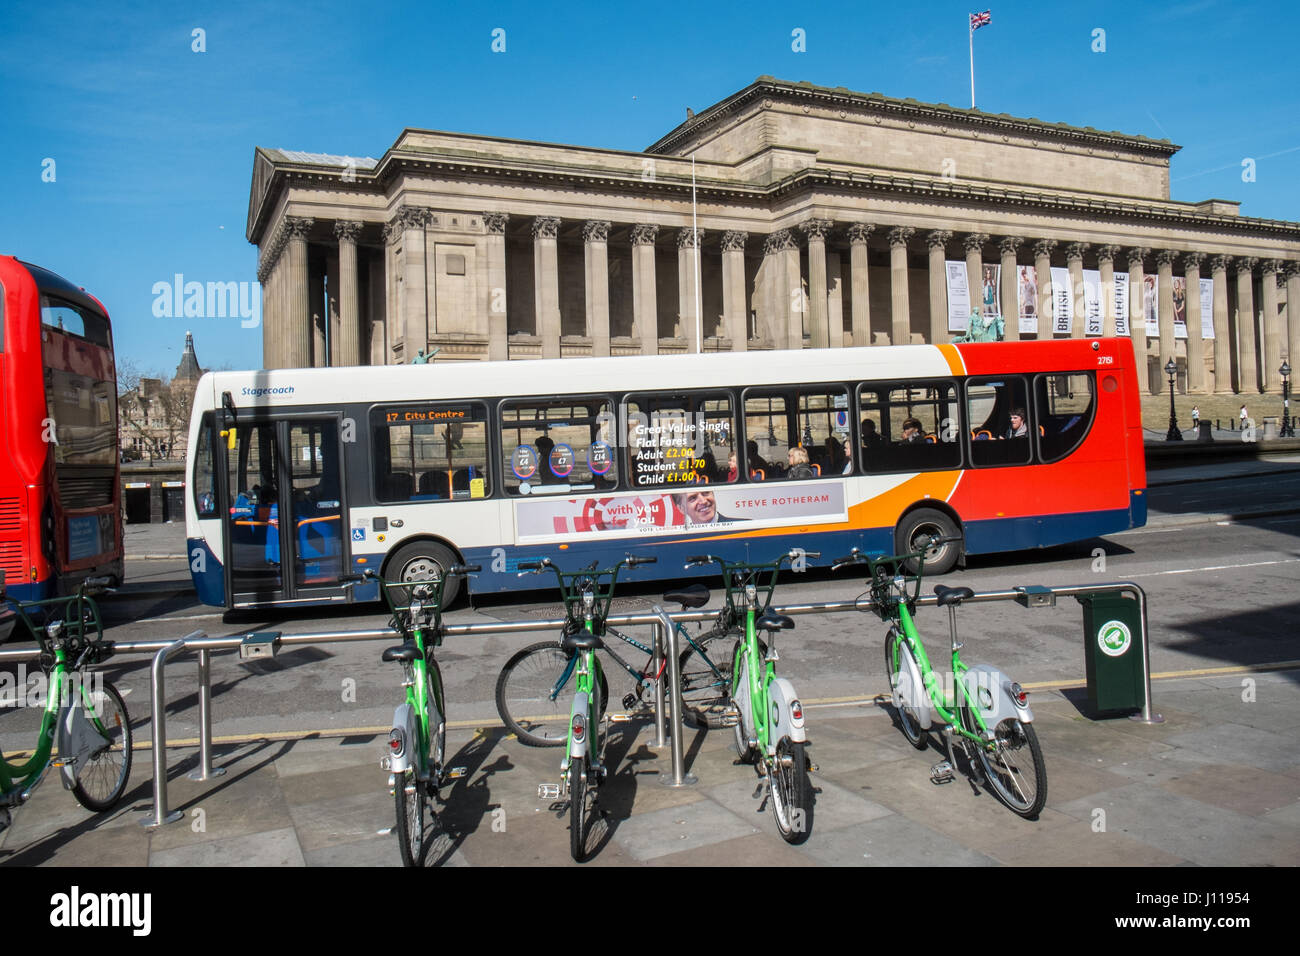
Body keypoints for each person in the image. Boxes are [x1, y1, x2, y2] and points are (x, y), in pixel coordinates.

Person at [672, 489, 743, 526]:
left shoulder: (744, 527)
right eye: (693, 498)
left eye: (706, 493)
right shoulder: (682, 538)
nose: (703, 501)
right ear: (682, 509)